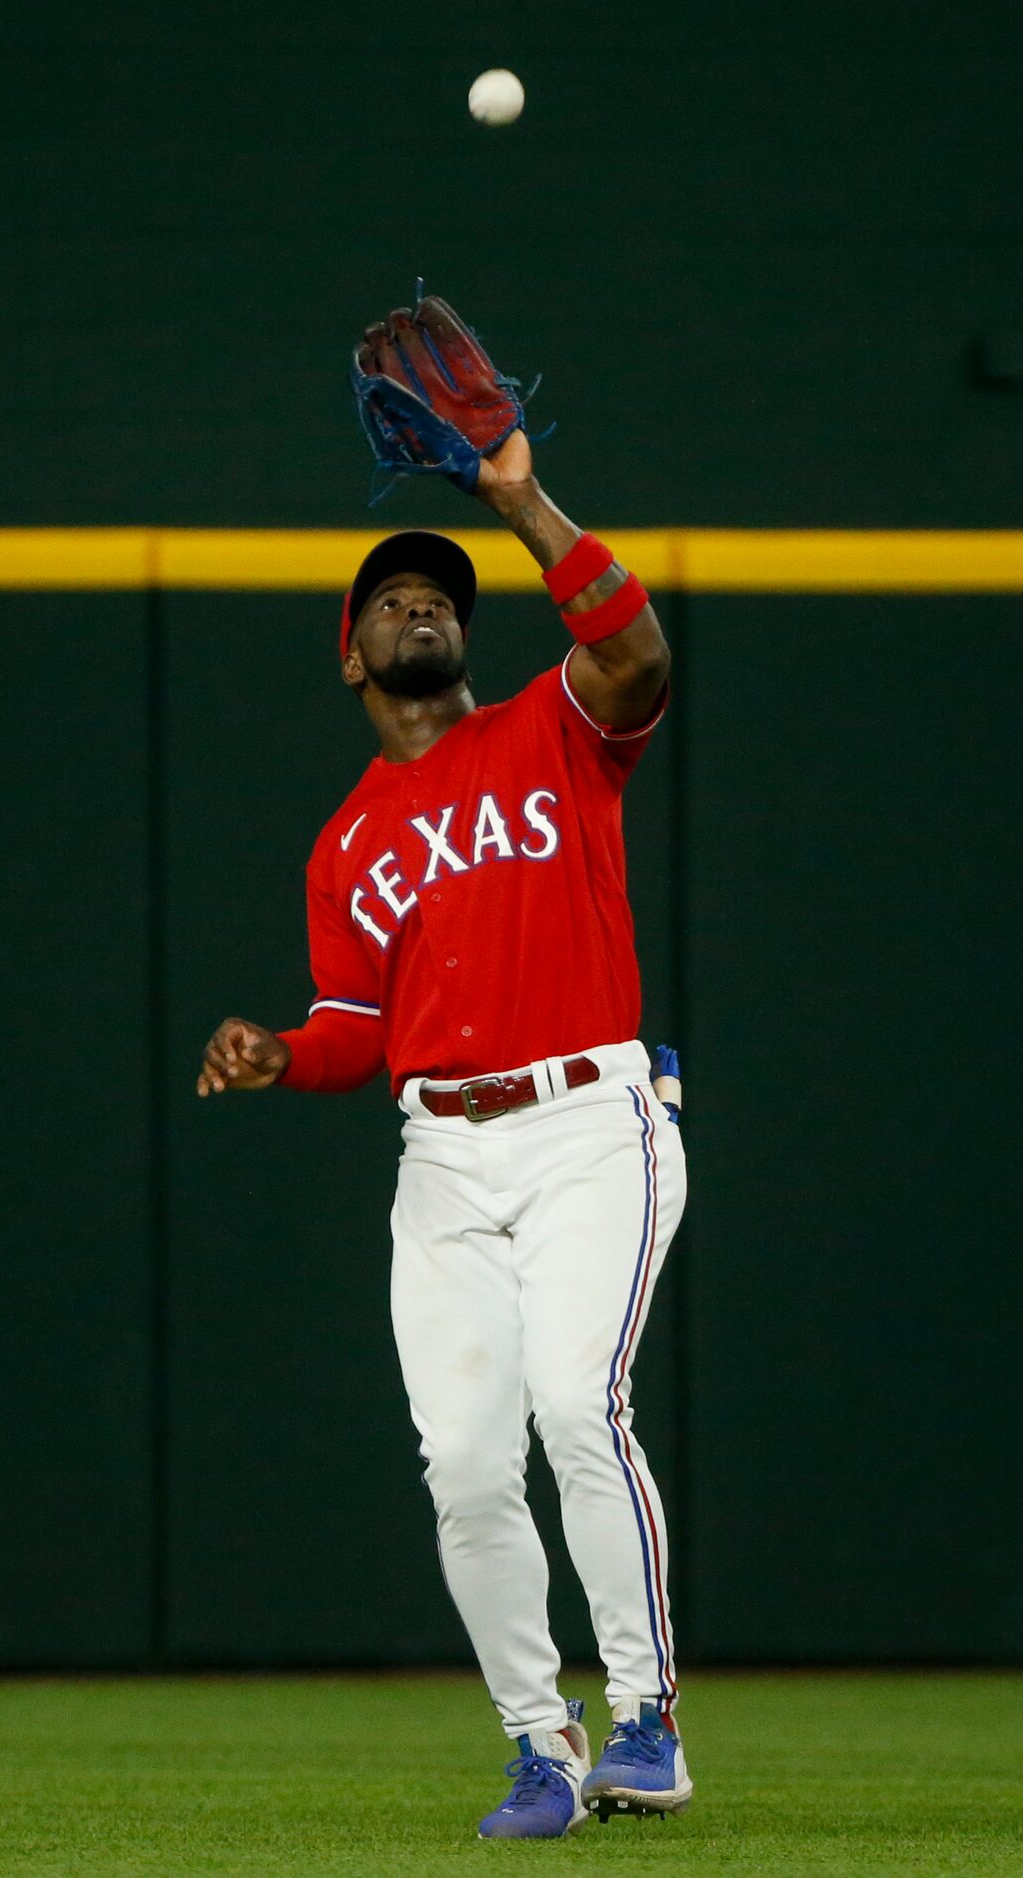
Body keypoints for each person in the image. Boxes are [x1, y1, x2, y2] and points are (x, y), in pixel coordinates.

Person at [197, 423, 692, 1839]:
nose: (421, 607)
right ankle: (542, 1742)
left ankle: (648, 1715)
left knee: (575, 1406)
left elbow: (640, 652)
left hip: (592, 1118)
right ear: (351, 653)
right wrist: (286, 1052)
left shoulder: (554, 724)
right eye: (391, 601)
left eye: (441, 599)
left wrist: (523, 502)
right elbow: (360, 1027)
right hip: (445, 1156)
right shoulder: (345, 843)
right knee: (468, 1461)